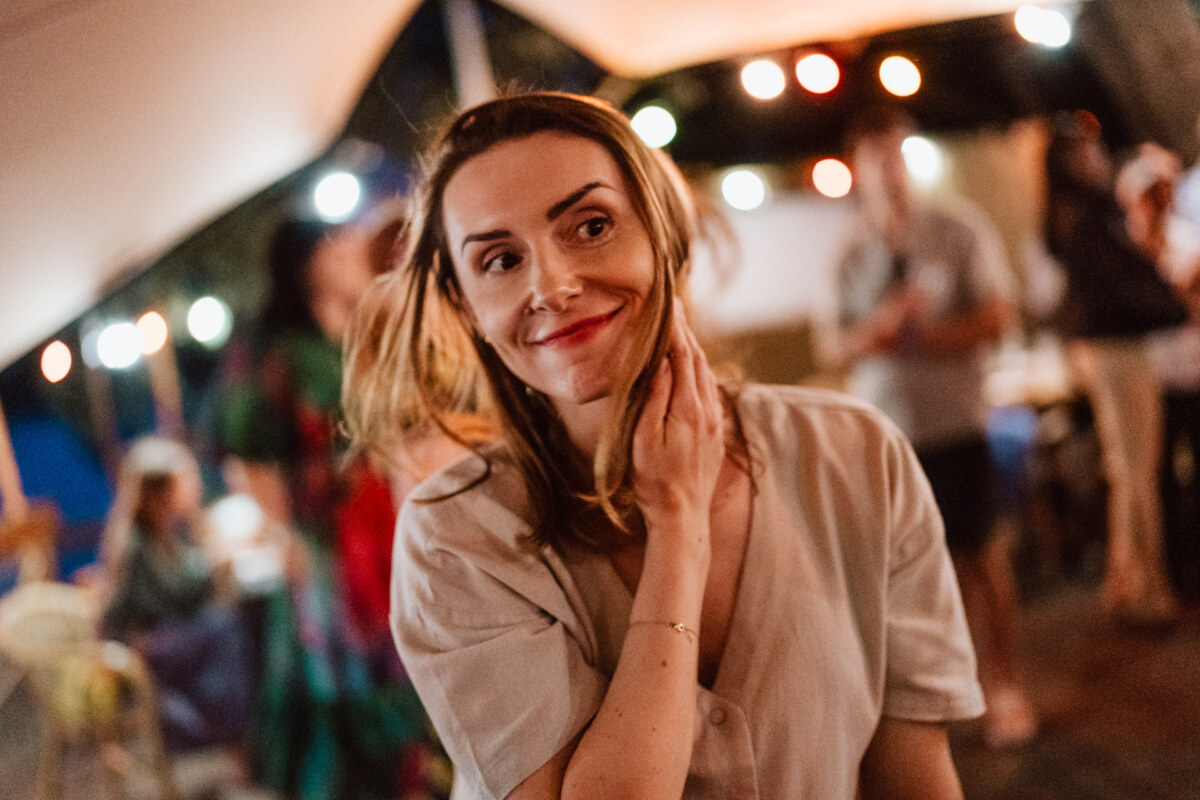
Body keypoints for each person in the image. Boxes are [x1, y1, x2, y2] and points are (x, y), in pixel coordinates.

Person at [341, 91, 984, 800]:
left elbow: (915, 779)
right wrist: (679, 529)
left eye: (590, 225)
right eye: (499, 260)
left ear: (662, 231)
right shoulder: (454, 540)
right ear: (466, 307)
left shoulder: (856, 456)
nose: (552, 285)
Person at [217, 217, 449, 800]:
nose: (344, 250)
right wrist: (284, 536)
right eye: (330, 244)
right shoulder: (279, 350)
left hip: (384, 521)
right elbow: (244, 454)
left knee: (401, 654)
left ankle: (412, 779)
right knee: (346, 672)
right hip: (326, 538)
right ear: (303, 261)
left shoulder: (360, 328)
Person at [826, 105, 1036, 748]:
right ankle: (931, 702)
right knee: (900, 574)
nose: (889, 171)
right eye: (876, 160)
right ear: (858, 169)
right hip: (887, 436)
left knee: (979, 556)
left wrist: (929, 338)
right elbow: (835, 346)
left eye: (898, 157)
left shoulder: (957, 229)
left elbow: (999, 316)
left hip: (957, 422)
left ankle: (1004, 686)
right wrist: (884, 326)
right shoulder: (850, 251)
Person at [1043, 113, 1191, 626]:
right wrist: (1177, 309)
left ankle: (1127, 581)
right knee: (1135, 472)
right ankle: (1144, 590)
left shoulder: (1082, 214)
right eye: (1086, 149)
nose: (1097, 156)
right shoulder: (1085, 216)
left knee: (1128, 469)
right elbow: (1117, 288)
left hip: (1112, 349)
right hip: (1116, 351)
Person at [99, 435, 252, 751]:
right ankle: (226, 730)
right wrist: (215, 565)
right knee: (225, 625)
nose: (194, 485)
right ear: (160, 491)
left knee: (230, 621)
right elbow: (175, 598)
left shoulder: (162, 531)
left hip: (164, 641)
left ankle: (234, 728)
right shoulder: (136, 544)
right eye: (185, 478)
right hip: (142, 654)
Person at [1114, 143, 1200, 601]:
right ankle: (1171, 572)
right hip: (1153, 375)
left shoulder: (1189, 238)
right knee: (1158, 475)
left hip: (1194, 371)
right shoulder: (1125, 247)